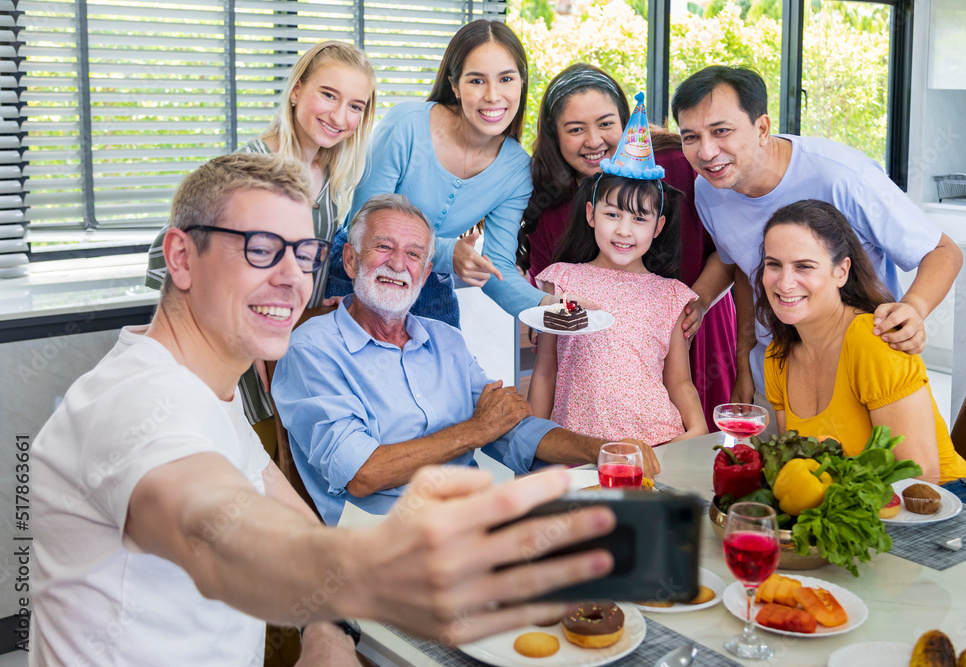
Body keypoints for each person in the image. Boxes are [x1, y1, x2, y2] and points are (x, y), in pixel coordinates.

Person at [29, 154, 622, 667]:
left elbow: (289, 515)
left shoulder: (215, 393)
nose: (291, 278)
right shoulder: (137, 402)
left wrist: (329, 624)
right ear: (181, 258)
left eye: (302, 253)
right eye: (260, 250)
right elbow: (215, 530)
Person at [272, 193, 659, 525]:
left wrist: (603, 450)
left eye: (413, 255)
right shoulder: (312, 349)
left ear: (425, 275)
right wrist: (477, 429)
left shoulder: (445, 340)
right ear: (352, 261)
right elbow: (364, 473)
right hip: (383, 551)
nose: (397, 264)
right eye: (384, 247)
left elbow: (511, 431)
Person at [671, 66, 963, 409]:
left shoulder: (842, 176)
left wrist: (914, 310)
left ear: (761, 128)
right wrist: (739, 353)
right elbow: (739, 265)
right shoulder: (709, 189)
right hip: (775, 370)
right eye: (690, 137)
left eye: (721, 131)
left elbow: (943, 251)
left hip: (860, 364)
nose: (706, 152)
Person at [145, 40, 378, 430]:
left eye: (355, 106)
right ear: (297, 89)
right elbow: (165, 257)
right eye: (328, 94)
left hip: (288, 360)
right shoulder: (248, 170)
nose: (340, 116)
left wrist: (317, 304)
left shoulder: (334, 182)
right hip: (236, 370)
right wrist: (241, 330)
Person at [517, 63, 736, 427]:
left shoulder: (677, 166)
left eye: (606, 124)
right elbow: (550, 345)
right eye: (575, 129)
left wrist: (695, 301)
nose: (593, 141)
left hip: (693, 321)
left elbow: (730, 251)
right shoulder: (548, 202)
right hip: (592, 377)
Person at [324, 20, 574, 327]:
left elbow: (497, 270)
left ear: (522, 82)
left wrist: (550, 307)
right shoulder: (406, 126)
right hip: (357, 272)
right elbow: (363, 227)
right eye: (477, 81)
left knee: (445, 368)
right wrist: (447, 251)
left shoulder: (517, 170)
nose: (494, 95)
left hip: (427, 282)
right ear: (454, 85)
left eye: (506, 79)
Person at [756, 200, 966, 511]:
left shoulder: (872, 339)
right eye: (774, 264)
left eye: (804, 266)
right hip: (860, 508)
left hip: (942, 505)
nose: (784, 282)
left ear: (841, 272)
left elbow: (919, 478)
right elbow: (800, 464)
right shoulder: (778, 355)